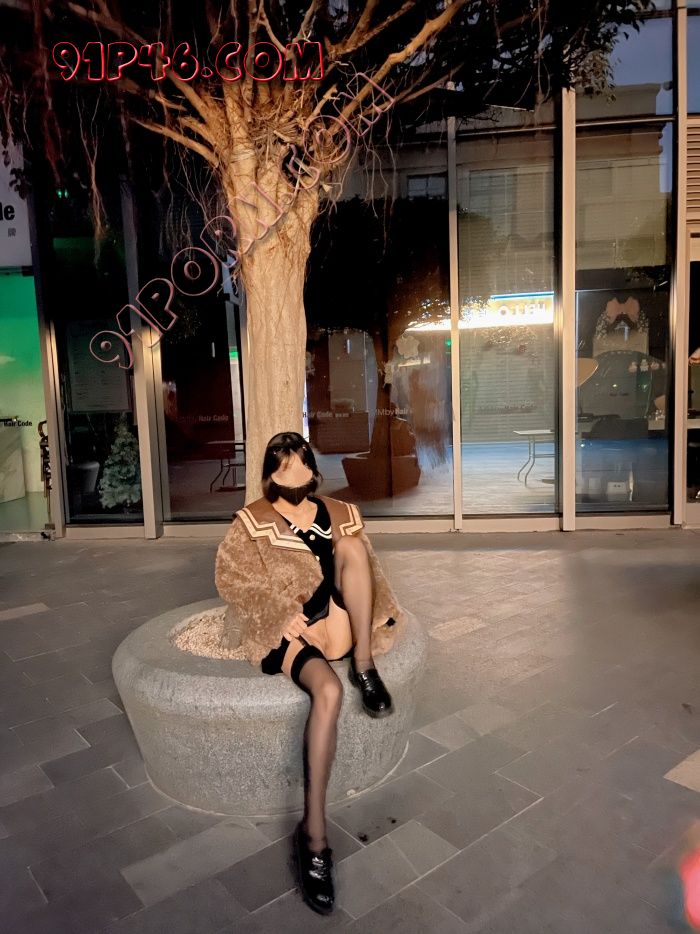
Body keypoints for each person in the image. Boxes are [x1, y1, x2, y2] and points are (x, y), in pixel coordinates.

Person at [214, 431, 406, 916]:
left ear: (314, 470)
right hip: (291, 631)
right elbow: (231, 580)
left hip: (335, 622)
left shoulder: (338, 513)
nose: (294, 473)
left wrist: (380, 616)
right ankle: (314, 838)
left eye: (300, 464)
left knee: (354, 549)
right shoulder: (253, 520)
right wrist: (278, 612)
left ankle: (364, 666)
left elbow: (367, 573)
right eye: (283, 466)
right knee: (327, 692)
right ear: (270, 474)